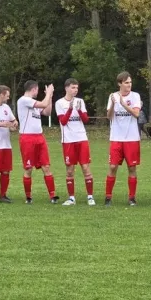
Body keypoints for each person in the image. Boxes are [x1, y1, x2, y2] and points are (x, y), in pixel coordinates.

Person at [55, 78, 95, 206]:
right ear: (66, 88)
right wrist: (70, 109)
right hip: (68, 140)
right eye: (73, 87)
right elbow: (63, 121)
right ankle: (71, 198)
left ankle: (90, 196)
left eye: (77, 88)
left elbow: (85, 119)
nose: (75, 90)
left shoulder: (80, 101)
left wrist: (78, 110)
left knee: (85, 167)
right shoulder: (59, 103)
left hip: (81, 138)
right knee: (70, 170)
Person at [17, 80, 58, 204]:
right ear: (33, 89)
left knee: (46, 166)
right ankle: (28, 197)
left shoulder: (34, 104)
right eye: (37, 90)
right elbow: (43, 104)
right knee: (28, 168)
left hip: (39, 137)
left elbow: (47, 111)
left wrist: (50, 97)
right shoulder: (24, 100)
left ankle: (52, 196)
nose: (38, 92)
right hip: (27, 138)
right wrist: (49, 93)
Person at [105, 71, 142, 206]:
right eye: (126, 83)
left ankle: (132, 198)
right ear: (119, 83)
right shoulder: (112, 96)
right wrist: (115, 104)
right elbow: (109, 116)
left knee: (132, 168)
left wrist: (124, 104)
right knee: (113, 166)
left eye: (130, 82)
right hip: (116, 138)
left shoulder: (135, 96)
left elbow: (136, 114)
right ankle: (108, 197)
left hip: (132, 139)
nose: (129, 85)